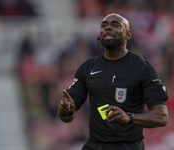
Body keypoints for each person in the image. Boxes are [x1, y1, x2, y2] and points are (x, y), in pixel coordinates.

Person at [58, 13, 168, 150]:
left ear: (128, 34)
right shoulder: (88, 67)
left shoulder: (143, 68)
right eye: (104, 26)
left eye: (115, 25)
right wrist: (66, 111)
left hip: (129, 146)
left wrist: (129, 117)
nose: (107, 28)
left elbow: (162, 116)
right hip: (95, 145)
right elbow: (67, 117)